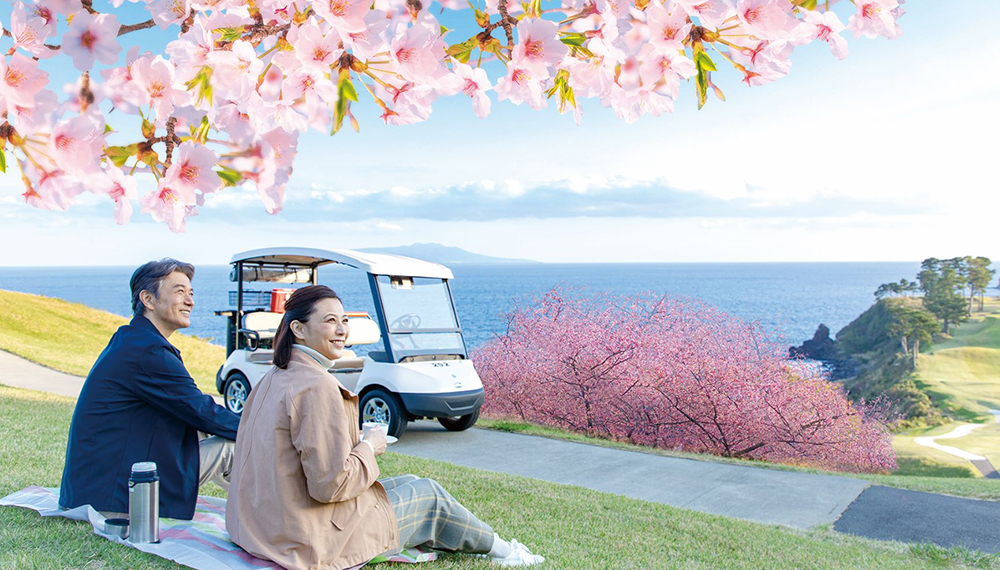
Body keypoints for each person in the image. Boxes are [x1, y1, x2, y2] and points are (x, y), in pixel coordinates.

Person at [226, 285, 544, 569]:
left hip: (263, 525)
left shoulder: (274, 377)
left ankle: (485, 544)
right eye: (329, 321)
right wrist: (369, 446)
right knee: (430, 495)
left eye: (344, 320)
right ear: (298, 328)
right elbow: (329, 485)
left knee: (408, 481)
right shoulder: (316, 386)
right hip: (303, 539)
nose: (341, 331)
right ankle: (505, 552)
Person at [59, 259, 240, 521]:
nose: (190, 301)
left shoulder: (135, 340)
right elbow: (201, 410)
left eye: (191, 293)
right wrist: (262, 428)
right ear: (148, 299)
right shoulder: (147, 351)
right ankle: (269, 517)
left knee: (211, 432)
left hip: (96, 488)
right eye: (179, 292)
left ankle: (254, 509)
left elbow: (194, 410)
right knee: (233, 447)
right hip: (111, 497)